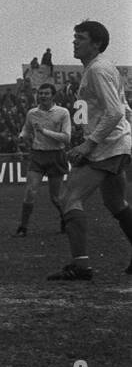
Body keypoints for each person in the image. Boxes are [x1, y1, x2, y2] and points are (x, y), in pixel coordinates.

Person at [47, 20, 132, 280]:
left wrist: (89, 143)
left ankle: (81, 265)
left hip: (106, 147)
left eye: (81, 38)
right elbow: (124, 108)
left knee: (69, 197)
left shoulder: (97, 70)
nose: (74, 41)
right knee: (115, 202)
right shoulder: (100, 69)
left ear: (96, 44)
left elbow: (116, 111)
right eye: (75, 36)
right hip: (116, 144)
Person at [12, 82, 72, 237]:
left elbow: (66, 138)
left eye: (46, 93)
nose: (43, 96)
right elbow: (26, 129)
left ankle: (65, 219)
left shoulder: (62, 112)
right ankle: (23, 227)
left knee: (55, 197)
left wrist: (44, 131)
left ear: (53, 96)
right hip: (38, 154)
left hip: (56, 155)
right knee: (30, 191)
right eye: (41, 93)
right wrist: (21, 137)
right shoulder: (32, 113)